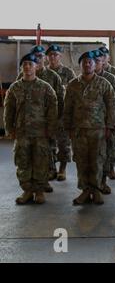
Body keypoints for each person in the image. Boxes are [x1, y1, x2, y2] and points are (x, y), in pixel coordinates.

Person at [4, 53, 58, 204]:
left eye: (30, 64)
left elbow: (52, 110)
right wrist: (10, 129)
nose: (27, 67)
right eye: (25, 64)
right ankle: (27, 191)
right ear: (22, 68)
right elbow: (9, 110)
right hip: (22, 132)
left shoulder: (45, 88)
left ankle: (39, 191)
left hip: (41, 133)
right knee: (23, 162)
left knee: (41, 161)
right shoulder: (15, 88)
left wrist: (51, 129)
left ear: (36, 67)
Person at [64, 51, 115, 205]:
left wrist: (110, 126)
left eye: (90, 62)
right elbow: (67, 108)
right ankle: (85, 190)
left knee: (97, 160)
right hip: (79, 130)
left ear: (95, 64)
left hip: (98, 130)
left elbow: (111, 106)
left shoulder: (104, 83)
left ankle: (96, 190)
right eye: (84, 62)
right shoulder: (73, 85)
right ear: (80, 65)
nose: (87, 64)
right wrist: (68, 128)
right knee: (81, 161)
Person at [17, 45, 64, 191]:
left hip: (47, 122)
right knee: (32, 154)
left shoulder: (53, 77)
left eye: (40, 56)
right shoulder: (21, 77)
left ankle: (46, 179)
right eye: (35, 56)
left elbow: (59, 101)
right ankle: (37, 183)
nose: (38, 58)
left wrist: (56, 120)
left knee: (48, 150)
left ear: (44, 58)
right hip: (27, 125)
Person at [93, 49, 115, 194]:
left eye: (102, 57)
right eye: (98, 59)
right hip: (93, 123)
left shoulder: (113, 77)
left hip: (108, 120)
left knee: (109, 147)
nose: (101, 60)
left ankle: (109, 169)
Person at [46, 44, 76, 181]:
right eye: (50, 54)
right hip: (46, 114)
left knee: (64, 143)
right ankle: (51, 169)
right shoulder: (43, 73)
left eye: (55, 54)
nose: (53, 57)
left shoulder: (68, 73)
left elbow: (75, 92)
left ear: (60, 56)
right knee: (48, 143)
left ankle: (62, 169)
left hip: (63, 113)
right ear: (47, 57)